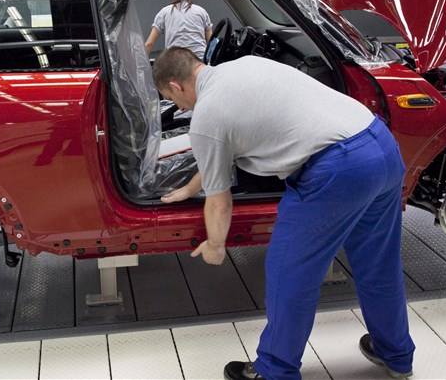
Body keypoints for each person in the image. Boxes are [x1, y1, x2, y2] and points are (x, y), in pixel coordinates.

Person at [152, 47, 415, 380]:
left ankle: (275, 370)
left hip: (336, 169)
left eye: (171, 99)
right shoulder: (244, 66)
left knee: (289, 272)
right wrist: (191, 188)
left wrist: (216, 247)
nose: (178, 107)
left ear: (176, 86)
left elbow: (219, 201)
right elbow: (224, 144)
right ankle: (396, 355)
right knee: (379, 263)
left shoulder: (206, 116)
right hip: (379, 145)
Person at [144, 0, 213, 61]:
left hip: (175, 63)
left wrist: (140, 65)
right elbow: (211, 42)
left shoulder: (164, 12)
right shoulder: (202, 12)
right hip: (199, 62)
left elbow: (149, 44)